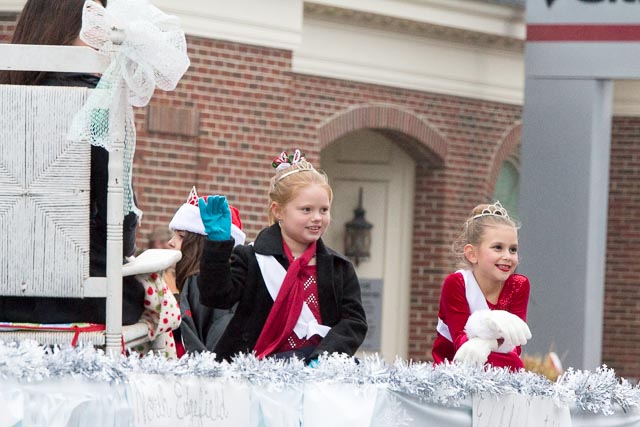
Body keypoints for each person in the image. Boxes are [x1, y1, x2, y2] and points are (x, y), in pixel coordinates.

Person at [0, 0, 145, 326]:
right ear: (63, 27)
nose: (102, 32)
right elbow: (118, 231)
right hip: (79, 301)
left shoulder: (6, 103)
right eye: (92, 20)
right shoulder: (98, 109)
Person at [196, 149, 368, 363]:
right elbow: (216, 297)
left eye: (324, 210)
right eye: (306, 209)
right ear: (278, 210)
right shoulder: (252, 258)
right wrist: (218, 245)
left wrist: (324, 358)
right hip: (257, 372)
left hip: (318, 374)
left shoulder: (339, 267)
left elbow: (354, 321)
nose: (317, 218)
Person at [432, 201, 532, 371]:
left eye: (513, 249)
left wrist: (488, 343)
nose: (508, 256)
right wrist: (489, 324)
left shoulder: (519, 285)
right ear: (472, 254)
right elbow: (462, 345)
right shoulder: (457, 283)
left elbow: (516, 344)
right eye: (498, 248)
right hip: (453, 375)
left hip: (502, 374)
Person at [167, 186, 245, 356]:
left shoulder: (199, 282)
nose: (170, 242)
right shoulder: (193, 281)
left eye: (180, 236)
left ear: (201, 244)